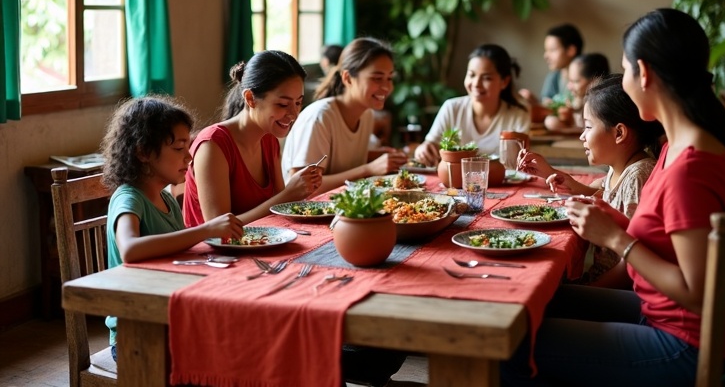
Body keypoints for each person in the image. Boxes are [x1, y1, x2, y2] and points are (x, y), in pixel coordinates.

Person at [501, 8, 725, 387]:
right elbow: (665, 237)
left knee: (512, 343)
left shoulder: (690, 167)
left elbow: (698, 293)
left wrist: (616, 238)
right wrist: (610, 217)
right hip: (666, 314)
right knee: (530, 308)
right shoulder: (677, 145)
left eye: (626, 69)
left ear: (645, 73)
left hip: (688, 343)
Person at [100, 96, 244, 360]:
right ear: (143, 152)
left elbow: (179, 253)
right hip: (138, 331)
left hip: (169, 315)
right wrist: (205, 230)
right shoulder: (129, 198)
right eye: (179, 148)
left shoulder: (166, 199)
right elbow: (130, 249)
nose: (189, 157)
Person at [518, 73, 663, 282]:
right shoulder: (621, 168)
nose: (582, 136)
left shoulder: (638, 176)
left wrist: (593, 288)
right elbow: (601, 190)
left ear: (619, 133)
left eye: (588, 126)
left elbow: (631, 265)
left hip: (618, 288)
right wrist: (551, 173)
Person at [183, 51, 323, 227]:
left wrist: (297, 192)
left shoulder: (269, 139)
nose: (294, 114)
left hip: (261, 244)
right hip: (211, 253)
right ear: (250, 98)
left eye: (298, 103)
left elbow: (280, 211)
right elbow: (218, 228)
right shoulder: (213, 145)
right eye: (282, 104)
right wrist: (288, 195)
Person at [281, 37, 407, 192]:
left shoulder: (366, 114)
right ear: (347, 78)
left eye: (389, 78)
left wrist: (375, 156)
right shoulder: (320, 117)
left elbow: (342, 160)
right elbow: (302, 187)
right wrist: (369, 169)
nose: (387, 87)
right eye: (377, 78)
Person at [414, 44, 530, 166]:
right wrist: (423, 149)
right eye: (471, 75)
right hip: (456, 183)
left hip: (502, 183)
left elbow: (517, 165)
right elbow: (430, 145)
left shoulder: (518, 114)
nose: (476, 83)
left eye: (486, 78)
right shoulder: (452, 108)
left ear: (504, 81)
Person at [544, 52, 610, 132]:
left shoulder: (602, 109)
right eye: (569, 80)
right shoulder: (573, 102)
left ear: (594, 82)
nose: (569, 87)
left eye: (575, 81)